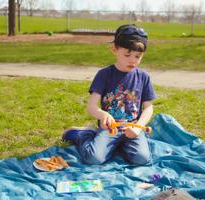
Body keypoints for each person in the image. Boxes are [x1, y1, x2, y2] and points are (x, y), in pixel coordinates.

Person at [63, 24, 157, 165]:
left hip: (132, 128)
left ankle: (120, 145)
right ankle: (83, 135)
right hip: (109, 128)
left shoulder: (143, 76)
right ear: (115, 50)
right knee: (94, 159)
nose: (133, 60)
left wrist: (138, 127)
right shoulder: (104, 75)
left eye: (138, 56)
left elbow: (148, 107)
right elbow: (92, 106)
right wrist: (103, 115)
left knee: (142, 159)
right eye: (127, 54)